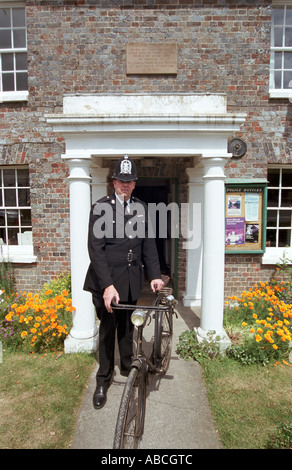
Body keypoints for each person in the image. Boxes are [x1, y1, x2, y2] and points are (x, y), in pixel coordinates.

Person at [84, 155, 164, 409]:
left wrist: (154, 275)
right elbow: (95, 250)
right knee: (108, 331)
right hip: (106, 282)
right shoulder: (100, 208)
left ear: (134, 183)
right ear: (113, 182)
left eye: (129, 181)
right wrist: (107, 286)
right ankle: (103, 379)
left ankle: (127, 366)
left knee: (128, 329)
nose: (125, 185)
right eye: (121, 181)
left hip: (130, 280)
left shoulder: (141, 208)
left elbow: (149, 245)